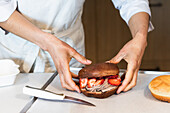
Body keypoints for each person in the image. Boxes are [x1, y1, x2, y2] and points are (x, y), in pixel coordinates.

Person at [0, 0, 153, 94]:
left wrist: (140, 37)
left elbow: (131, 1)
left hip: (69, 46)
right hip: (16, 49)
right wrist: (47, 42)